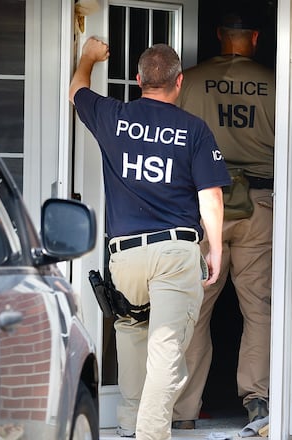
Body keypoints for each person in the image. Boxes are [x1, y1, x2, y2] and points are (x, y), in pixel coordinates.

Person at [69, 38, 231, 439]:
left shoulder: (114, 116)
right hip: (174, 253)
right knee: (165, 351)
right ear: (179, 83)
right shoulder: (194, 130)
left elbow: (75, 93)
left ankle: (128, 424)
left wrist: (88, 58)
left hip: (125, 256)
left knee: (131, 335)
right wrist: (215, 249)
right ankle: (151, 434)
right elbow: (210, 196)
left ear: (139, 79)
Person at [172, 11, 276, 428]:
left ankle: (182, 410)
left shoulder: (190, 81)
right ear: (254, 36)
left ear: (218, 35)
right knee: (259, 308)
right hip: (260, 203)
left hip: (202, 204)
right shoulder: (276, 82)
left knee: (193, 309)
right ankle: (259, 399)